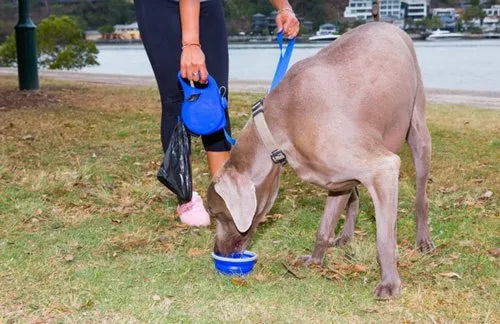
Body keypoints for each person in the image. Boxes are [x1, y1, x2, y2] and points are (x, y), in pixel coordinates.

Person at [134, 0, 299, 226]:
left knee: (216, 98)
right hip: (158, 6)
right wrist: (191, 43)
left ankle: (222, 191)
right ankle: (186, 197)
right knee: (177, 97)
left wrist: (284, 8)